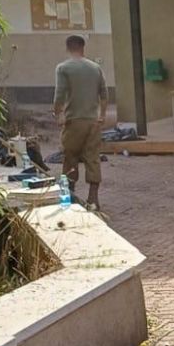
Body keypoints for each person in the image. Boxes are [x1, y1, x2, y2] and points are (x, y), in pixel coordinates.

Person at [52, 35, 108, 213]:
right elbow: (104, 94)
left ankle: (68, 197)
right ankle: (93, 199)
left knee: (70, 157)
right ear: (83, 48)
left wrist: (58, 113)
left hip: (73, 120)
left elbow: (59, 94)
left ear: (67, 48)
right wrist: (102, 115)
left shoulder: (63, 68)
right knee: (93, 158)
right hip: (92, 121)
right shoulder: (95, 68)